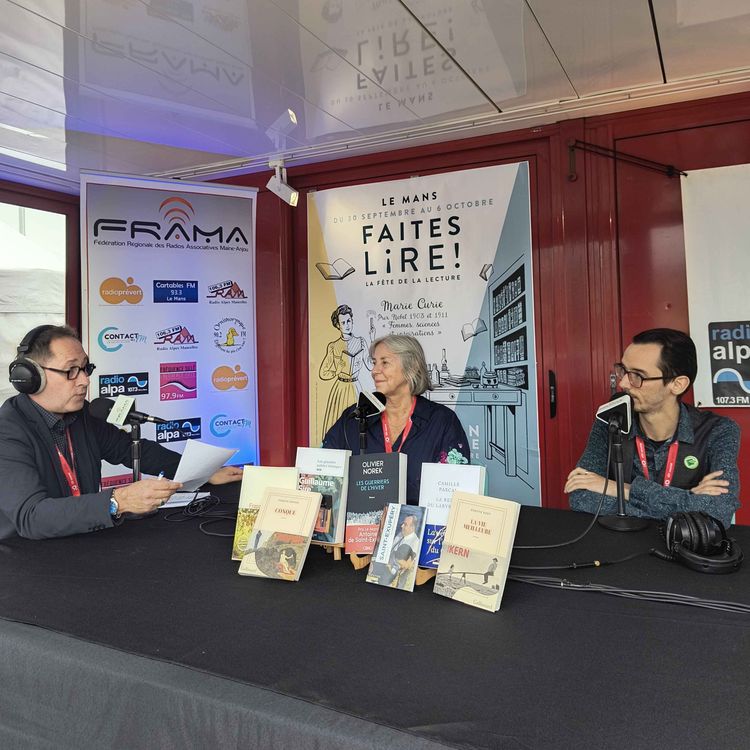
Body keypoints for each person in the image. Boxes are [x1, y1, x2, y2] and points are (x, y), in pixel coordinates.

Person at [0, 325, 242, 540]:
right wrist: (118, 501)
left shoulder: (82, 414)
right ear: (29, 377)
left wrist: (202, 473)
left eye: (85, 368)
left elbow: (130, 449)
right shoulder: (7, 431)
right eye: (71, 371)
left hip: (78, 540)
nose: (84, 381)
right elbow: (31, 516)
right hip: (27, 558)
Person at [565, 328, 740, 528]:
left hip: (684, 553)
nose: (623, 383)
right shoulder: (611, 420)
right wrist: (690, 499)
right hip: (619, 547)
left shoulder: (719, 431)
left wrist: (622, 489)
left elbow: (720, 511)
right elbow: (580, 496)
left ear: (677, 384)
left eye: (637, 376)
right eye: (623, 370)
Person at [322, 334, 470, 502]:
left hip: (418, 526)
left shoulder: (442, 421)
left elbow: (455, 490)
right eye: (374, 362)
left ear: (412, 367)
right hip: (363, 525)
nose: (374, 371)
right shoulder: (354, 418)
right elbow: (323, 472)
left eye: (384, 362)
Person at [318, 305, 373, 441]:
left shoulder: (361, 342)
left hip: (356, 388)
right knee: (340, 427)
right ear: (338, 325)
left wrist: (372, 340)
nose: (347, 325)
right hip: (341, 389)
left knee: (359, 425)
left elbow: (371, 365)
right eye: (343, 322)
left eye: (349, 321)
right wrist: (338, 369)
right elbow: (323, 373)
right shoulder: (334, 346)